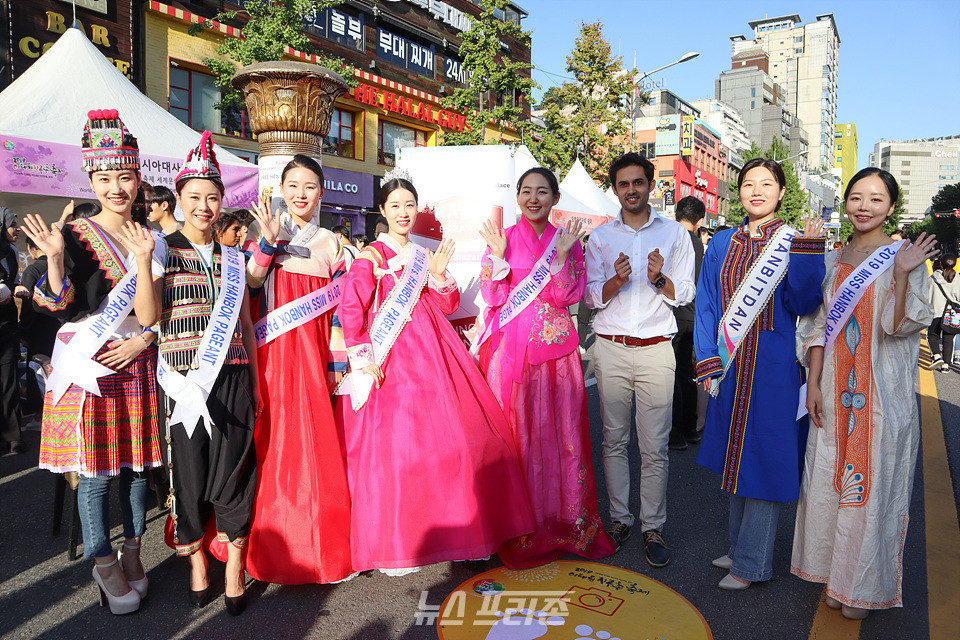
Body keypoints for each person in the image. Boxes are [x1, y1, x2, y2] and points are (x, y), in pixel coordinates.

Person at [337, 173, 535, 575]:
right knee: (401, 452)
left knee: (457, 442)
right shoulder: (369, 258)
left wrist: (441, 275)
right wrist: (361, 357)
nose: (403, 213)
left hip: (434, 352)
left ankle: (463, 530)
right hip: (391, 357)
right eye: (394, 206)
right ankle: (404, 538)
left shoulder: (423, 255)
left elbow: (446, 306)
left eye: (409, 205)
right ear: (382, 211)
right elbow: (351, 310)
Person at [21, 109, 163, 614]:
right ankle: (103, 563)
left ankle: (133, 552)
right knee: (99, 473)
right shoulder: (76, 235)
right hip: (90, 366)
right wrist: (56, 260)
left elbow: (149, 315)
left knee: (140, 469)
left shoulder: (150, 239)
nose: (116, 187)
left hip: (136, 364)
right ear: (92, 180)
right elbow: (56, 304)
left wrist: (144, 263)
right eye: (104, 178)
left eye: (124, 176)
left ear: (138, 177)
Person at [122, 131, 258, 615]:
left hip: (234, 375)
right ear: (177, 198)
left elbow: (242, 322)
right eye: (195, 197)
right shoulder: (162, 249)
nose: (204, 206)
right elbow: (148, 318)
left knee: (237, 469)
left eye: (213, 197)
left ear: (223, 202)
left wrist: (257, 383)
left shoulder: (235, 257)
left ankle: (234, 566)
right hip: (183, 380)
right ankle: (197, 562)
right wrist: (141, 261)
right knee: (191, 471)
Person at [792, 168, 937, 619]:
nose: (864, 206)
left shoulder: (904, 255)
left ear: (891, 207)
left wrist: (901, 274)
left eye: (876, 199)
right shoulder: (834, 260)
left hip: (882, 397)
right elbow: (817, 327)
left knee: (874, 489)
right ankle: (835, 579)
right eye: (856, 197)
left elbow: (900, 326)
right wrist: (813, 384)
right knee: (830, 484)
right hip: (833, 392)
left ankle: (863, 586)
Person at [694, 158, 826, 590]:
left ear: (781, 191)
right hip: (731, 362)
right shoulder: (721, 242)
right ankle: (737, 546)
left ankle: (751, 564)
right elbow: (708, 302)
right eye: (748, 183)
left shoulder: (793, 242)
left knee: (765, 457)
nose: (756, 190)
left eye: (766, 183)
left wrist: (808, 253)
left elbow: (804, 303)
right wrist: (707, 358)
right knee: (736, 454)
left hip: (773, 363)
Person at [476, 167, 615, 569]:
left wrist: (561, 255)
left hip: (557, 356)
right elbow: (492, 296)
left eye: (542, 192)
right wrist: (497, 257)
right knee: (518, 440)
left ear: (555, 199)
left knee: (563, 437)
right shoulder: (503, 238)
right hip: (513, 354)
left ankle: (566, 524)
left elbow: (568, 294)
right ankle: (516, 527)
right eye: (526, 191)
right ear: (517, 197)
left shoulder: (567, 241)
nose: (533, 198)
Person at [240, 155, 355, 585]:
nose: (300, 194)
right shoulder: (262, 233)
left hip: (310, 356)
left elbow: (344, 311)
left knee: (313, 438)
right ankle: (267, 538)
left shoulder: (333, 244)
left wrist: (336, 362)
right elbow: (250, 285)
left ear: (322, 192)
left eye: (309, 186)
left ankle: (319, 542)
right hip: (270, 352)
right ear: (281, 189)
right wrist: (267, 244)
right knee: (270, 437)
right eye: (293, 185)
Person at [585, 153, 696, 567]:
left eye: (638, 182)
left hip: (654, 350)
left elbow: (684, 291)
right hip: (611, 347)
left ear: (651, 185)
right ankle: (620, 519)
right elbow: (591, 295)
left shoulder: (673, 235)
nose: (631, 190)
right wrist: (616, 280)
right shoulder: (600, 238)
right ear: (615, 189)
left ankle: (653, 526)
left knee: (654, 447)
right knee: (613, 440)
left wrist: (657, 278)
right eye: (623, 184)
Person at [668, 196, 706, 451]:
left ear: (675, 215)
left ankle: (675, 433)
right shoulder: (699, 244)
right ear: (700, 221)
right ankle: (690, 429)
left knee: (671, 375)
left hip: (672, 312)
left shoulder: (670, 238)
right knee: (686, 373)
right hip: (693, 315)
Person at [0, 209, 24, 453]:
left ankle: (14, 437)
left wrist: (17, 289)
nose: (17, 229)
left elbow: (13, 282)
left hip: (6, 325)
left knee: (9, 380)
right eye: (12, 225)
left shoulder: (13, 252)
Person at [928, 253, 959, 372]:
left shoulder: (933, 278)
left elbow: (927, 294)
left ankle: (936, 356)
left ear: (940, 263)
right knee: (948, 339)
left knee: (933, 334)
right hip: (951, 314)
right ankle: (946, 366)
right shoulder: (957, 278)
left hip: (936, 311)